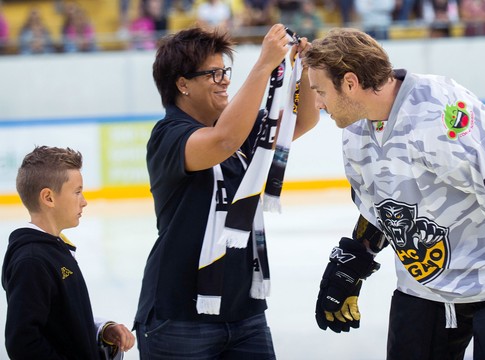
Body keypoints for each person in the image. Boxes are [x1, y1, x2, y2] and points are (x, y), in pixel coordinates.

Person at [303, 28, 485, 359]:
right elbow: (379, 206)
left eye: (320, 91)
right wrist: (356, 259)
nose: (317, 103)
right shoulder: (355, 126)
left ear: (351, 83)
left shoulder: (440, 113)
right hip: (423, 288)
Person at [133, 24, 319, 359]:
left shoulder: (240, 129)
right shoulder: (168, 136)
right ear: (182, 85)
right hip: (180, 316)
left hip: (244, 312)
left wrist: (300, 69)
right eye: (213, 73)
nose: (225, 80)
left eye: (225, 71)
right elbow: (223, 141)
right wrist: (263, 66)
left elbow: (302, 121)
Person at [1, 146, 136, 359]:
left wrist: (103, 330)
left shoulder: (54, 249)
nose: (84, 201)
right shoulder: (32, 261)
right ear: (48, 198)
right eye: (77, 192)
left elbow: (62, 323)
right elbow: (23, 343)